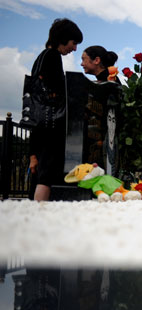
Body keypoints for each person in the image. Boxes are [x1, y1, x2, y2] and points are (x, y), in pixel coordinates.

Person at [28, 18, 83, 201]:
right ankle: (39, 214)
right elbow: (54, 93)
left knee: (41, 173)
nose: (74, 48)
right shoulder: (52, 56)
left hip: (40, 124)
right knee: (46, 175)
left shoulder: (43, 56)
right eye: (73, 43)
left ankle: (32, 213)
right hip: (50, 125)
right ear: (64, 38)